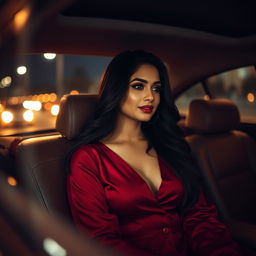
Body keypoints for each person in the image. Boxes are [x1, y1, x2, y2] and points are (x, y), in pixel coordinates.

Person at [66, 50, 248, 256]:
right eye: (138, 86)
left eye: (157, 88)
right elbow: (100, 241)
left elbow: (198, 214)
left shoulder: (170, 145)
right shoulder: (88, 159)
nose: (150, 97)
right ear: (115, 89)